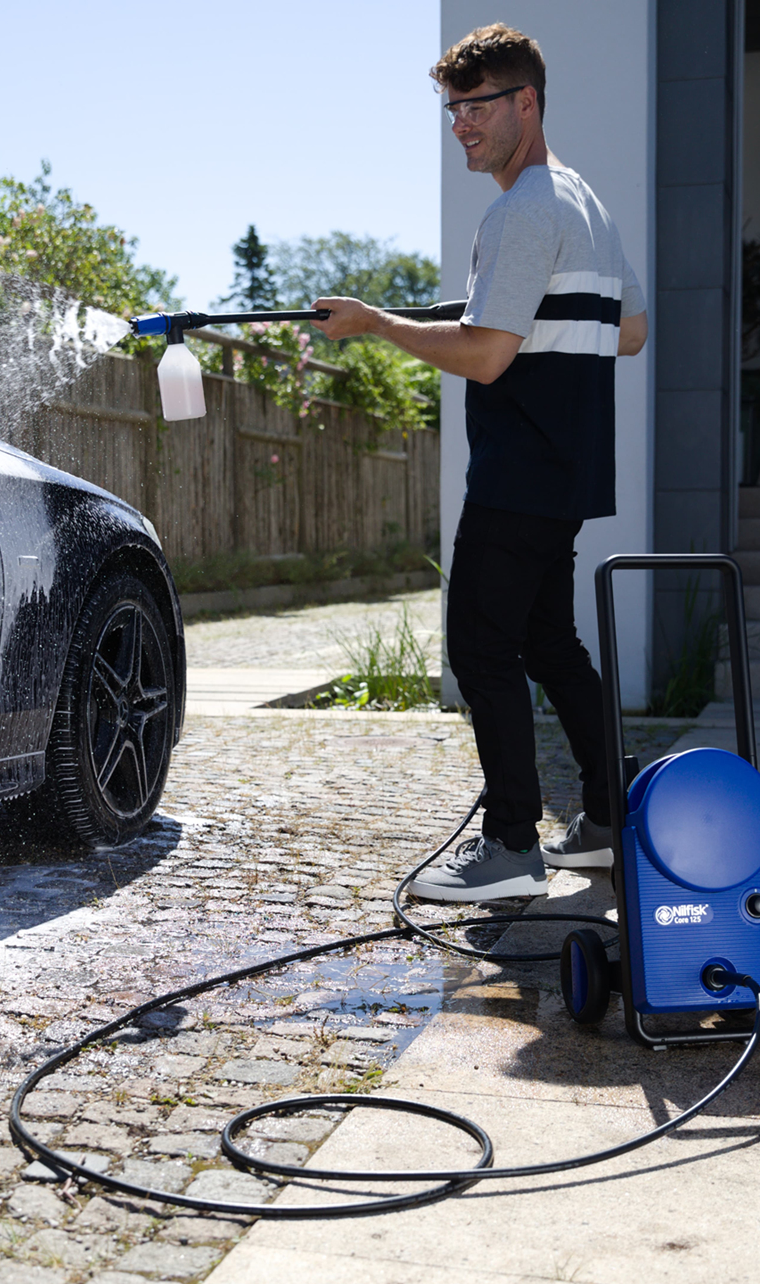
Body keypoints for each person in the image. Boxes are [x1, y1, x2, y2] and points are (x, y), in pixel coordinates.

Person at [313, 23, 647, 901]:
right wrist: (507, 307)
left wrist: (380, 323)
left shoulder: (524, 209)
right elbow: (633, 332)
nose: (461, 124)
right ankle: (611, 821)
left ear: (526, 103)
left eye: (478, 106)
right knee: (548, 641)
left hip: (520, 467)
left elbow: (488, 357)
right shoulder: (585, 204)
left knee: (481, 649)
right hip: (566, 466)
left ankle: (509, 848)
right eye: (452, 108)